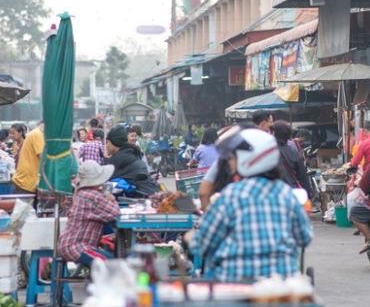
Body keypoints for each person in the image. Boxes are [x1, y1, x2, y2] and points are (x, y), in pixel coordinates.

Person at [187, 127, 313, 281]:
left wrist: (190, 237)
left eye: (233, 157)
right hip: (281, 286)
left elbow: (202, 243)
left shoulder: (230, 196)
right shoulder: (286, 195)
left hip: (236, 286)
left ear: (247, 159)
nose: (230, 162)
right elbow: (304, 238)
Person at [58, 160, 120, 267]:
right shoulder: (91, 195)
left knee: (110, 260)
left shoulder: (84, 193)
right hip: (76, 247)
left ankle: (95, 281)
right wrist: (111, 199)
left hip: (71, 244)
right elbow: (115, 213)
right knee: (112, 266)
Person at [104, 126, 159, 195]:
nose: (106, 146)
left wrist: (106, 160)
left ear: (114, 142)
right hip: (149, 191)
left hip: (141, 196)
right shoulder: (131, 152)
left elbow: (106, 178)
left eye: (107, 142)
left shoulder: (119, 158)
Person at [271, 120, 311, 192]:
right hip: (293, 191)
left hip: (276, 192)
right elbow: (303, 175)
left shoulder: (268, 151)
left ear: (274, 133)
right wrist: (308, 194)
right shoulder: (293, 150)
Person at [12, 123, 44, 194]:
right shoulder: (38, 135)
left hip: (26, 183)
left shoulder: (36, 134)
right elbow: (44, 159)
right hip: (25, 185)